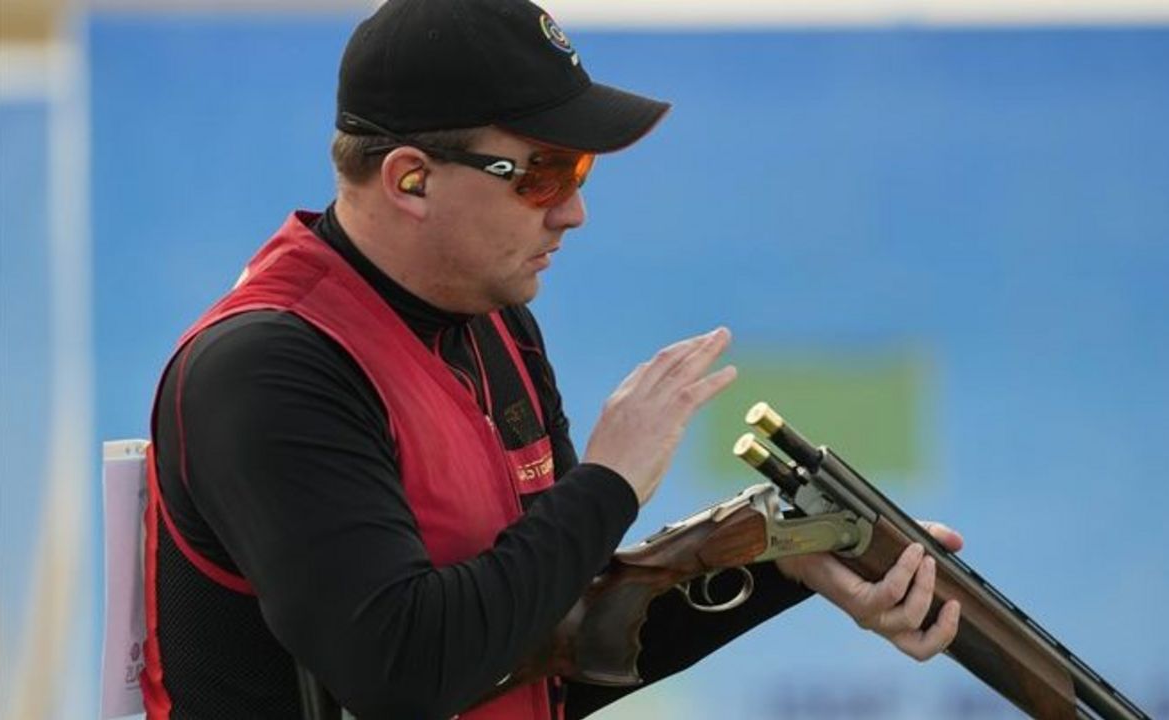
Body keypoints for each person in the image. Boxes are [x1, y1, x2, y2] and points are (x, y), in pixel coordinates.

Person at [140, 0, 964, 718]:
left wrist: (787, 562)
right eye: (542, 173)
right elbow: (404, 674)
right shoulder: (268, 369)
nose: (574, 211)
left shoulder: (492, 322)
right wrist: (607, 486)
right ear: (410, 180)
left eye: (581, 169)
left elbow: (551, 641)